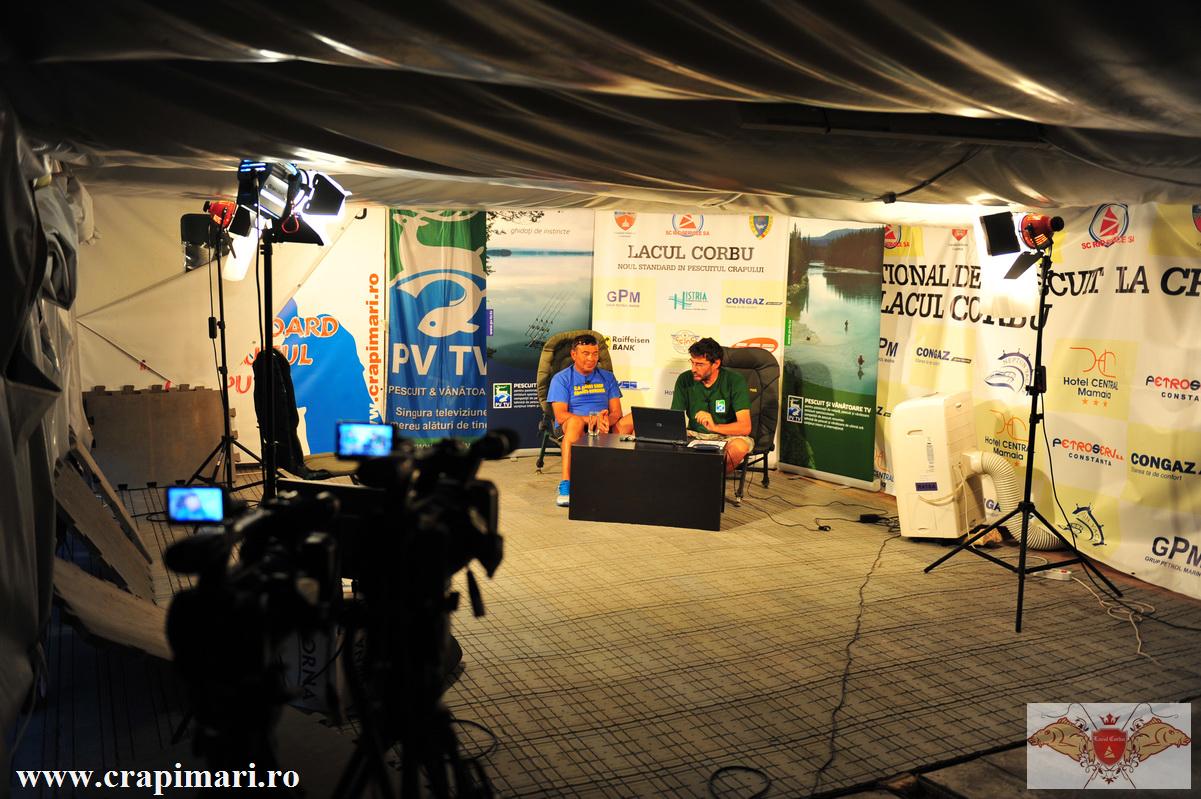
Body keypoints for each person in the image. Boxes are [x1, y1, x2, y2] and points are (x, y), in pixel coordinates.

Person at [547, 334, 632, 507]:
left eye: (595, 354)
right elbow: (561, 415)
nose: (591, 358)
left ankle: (628, 479)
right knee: (574, 422)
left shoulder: (607, 377)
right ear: (574, 355)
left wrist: (605, 420)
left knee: (635, 418)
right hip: (575, 427)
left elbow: (616, 412)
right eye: (586, 353)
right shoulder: (561, 379)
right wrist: (592, 419)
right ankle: (566, 484)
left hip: (604, 426)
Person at [671, 337, 753, 474]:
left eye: (699, 364)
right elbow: (674, 419)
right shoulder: (684, 379)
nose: (693, 369)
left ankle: (710, 481)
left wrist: (715, 427)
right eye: (692, 362)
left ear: (716, 364)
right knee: (663, 443)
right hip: (694, 435)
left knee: (739, 447)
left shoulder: (735, 381)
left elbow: (745, 427)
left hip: (726, 436)